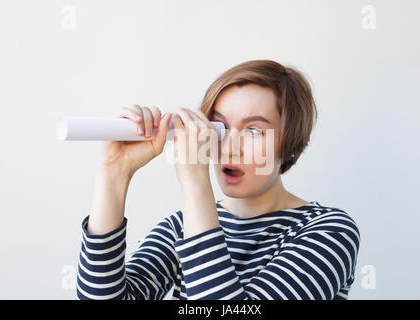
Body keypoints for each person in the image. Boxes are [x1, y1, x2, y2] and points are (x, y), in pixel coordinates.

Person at [76, 60, 360, 300]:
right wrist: (114, 173)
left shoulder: (329, 230)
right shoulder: (180, 226)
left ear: (290, 144)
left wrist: (195, 180)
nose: (229, 148)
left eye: (254, 131)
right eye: (219, 127)